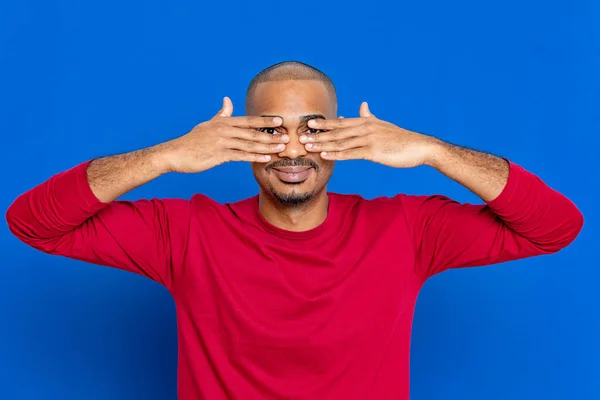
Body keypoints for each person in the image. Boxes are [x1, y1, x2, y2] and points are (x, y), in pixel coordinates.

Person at [6, 61, 583, 400]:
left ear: (339, 136)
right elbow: (31, 222)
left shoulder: (407, 228)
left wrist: (434, 152)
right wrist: (167, 156)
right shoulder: (183, 232)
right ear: (241, 138)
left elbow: (555, 227)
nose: (291, 149)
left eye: (311, 128)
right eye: (269, 129)